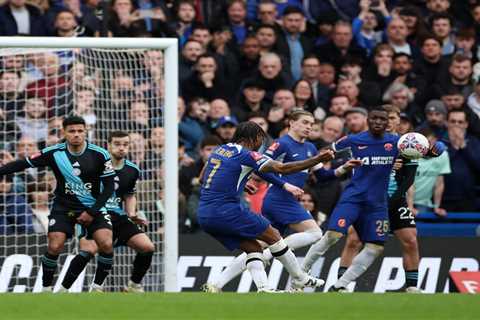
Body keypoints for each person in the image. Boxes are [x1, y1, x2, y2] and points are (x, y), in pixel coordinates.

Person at [203, 110, 360, 292]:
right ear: (291, 123)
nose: (309, 126)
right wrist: (285, 185)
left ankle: (219, 285)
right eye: (305, 122)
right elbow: (271, 168)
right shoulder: (280, 144)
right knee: (309, 234)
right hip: (279, 199)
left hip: (211, 211)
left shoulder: (309, 147)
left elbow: (323, 176)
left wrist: (342, 169)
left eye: (311, 123)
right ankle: (298, 275)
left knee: (255, 247)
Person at [336, 105, 446, 293]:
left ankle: (412, 287)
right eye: (386, 118)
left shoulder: (405, 144)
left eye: (394, 118)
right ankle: (341, 284)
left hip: (395, 199)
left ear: (397, 122)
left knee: (410, 239)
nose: (389, 122)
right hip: (368, 197)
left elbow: (412, 172)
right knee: (354, 239)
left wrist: (436, 149)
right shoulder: (365, 141)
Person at [0, 115, 115, 292]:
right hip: (64, 206)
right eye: (72, 131)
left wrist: (92, 212)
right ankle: (46, 290)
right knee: (54, 246)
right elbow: (23, 164)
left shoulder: (100, 154)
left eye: (80, 131)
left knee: (106, 243)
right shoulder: (54, 152)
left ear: (86, 132)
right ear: (64, 132)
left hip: (93, 207)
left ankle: (97, 288)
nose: (76, 134)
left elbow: (108, 188)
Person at [301, 106, 398, 292]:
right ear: (367, 120)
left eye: (382, 119)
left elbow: (428, 150)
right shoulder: (353, 140)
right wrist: (331, 170)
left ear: (388, 123)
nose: (378, 122)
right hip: (353, 198)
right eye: (374, 118)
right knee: (333, 235)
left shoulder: (396, 142)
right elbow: (323, 152)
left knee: (375, 247)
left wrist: (437, 148)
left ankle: (340, 286)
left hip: (377, 204)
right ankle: (301, 273)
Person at [59, 131, 154, 292]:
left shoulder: (132, 170)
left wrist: (131, 214)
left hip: (118, 216)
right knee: (87, 251)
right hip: (95, 215)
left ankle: (133, 285)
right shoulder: (92, 165)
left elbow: (129, 195)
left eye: (125, 144)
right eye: (117, 144)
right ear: (108, 145)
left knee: (147, 247)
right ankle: (63, 289)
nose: (122, 148)